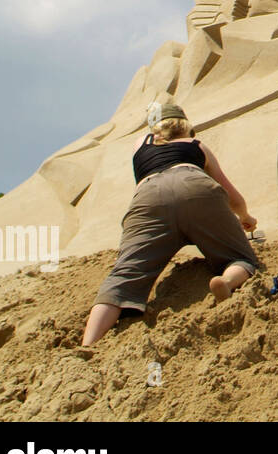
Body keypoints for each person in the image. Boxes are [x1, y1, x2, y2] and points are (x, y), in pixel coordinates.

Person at [82, 103, 259, 345]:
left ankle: (89, 343)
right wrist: (245, 217)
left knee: (123, 277)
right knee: (241, 258)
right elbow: (232, 196)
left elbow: (150, 139)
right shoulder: (197, 146)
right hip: (195, 188)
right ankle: (226, 282)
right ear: (187, 127)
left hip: (149, 198)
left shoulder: (141, 144)